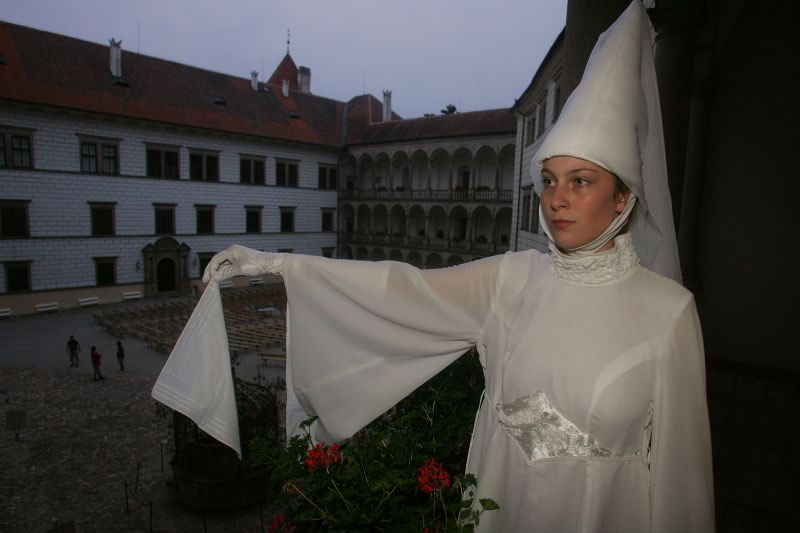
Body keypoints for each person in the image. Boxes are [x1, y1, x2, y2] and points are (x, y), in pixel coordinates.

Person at [155, 2, 714, 530]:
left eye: (581, 181)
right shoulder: (512, 279)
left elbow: (682, 488)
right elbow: (401, 290)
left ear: (624, 200)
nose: (556, 199)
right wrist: (273, 264)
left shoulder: (667, 313)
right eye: (548, 180)